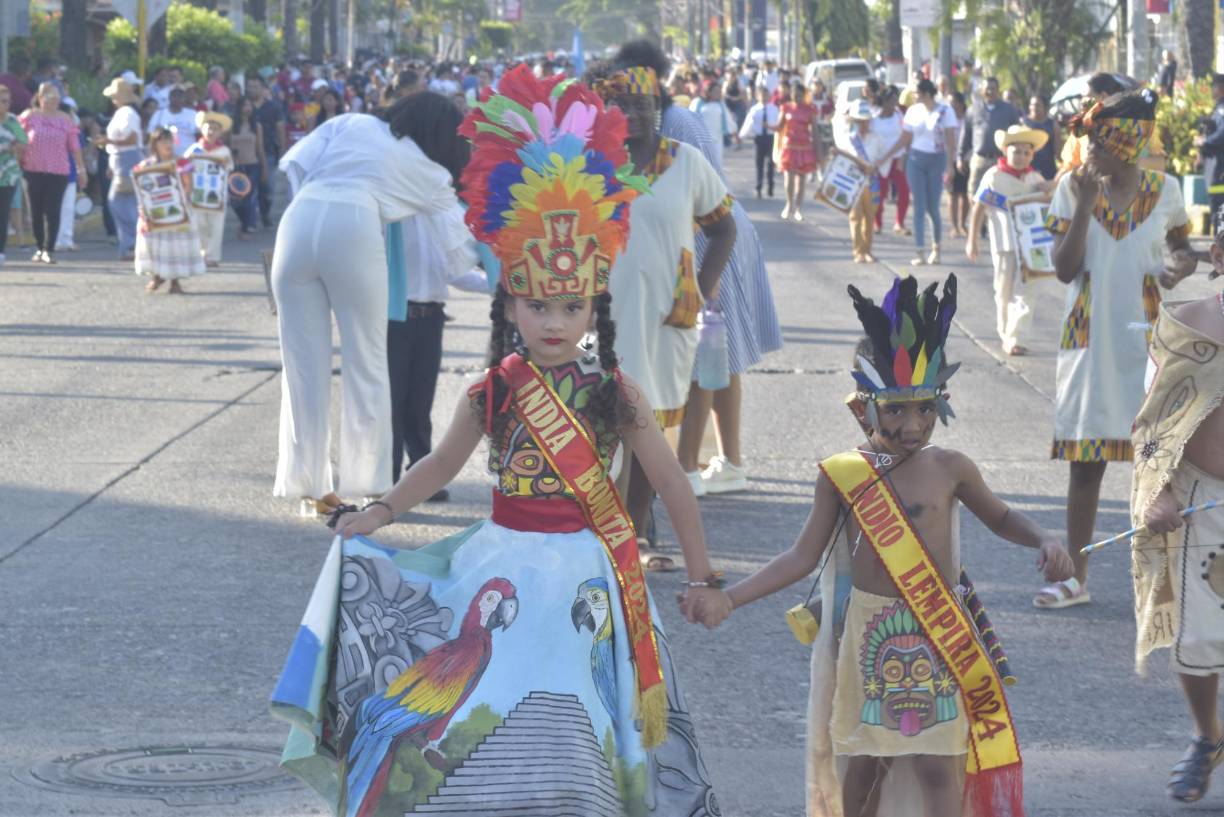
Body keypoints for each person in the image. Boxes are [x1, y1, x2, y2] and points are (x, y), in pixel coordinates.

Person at [272, 69, 726, 817]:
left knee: (582, 712)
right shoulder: (492, 392)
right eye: (537, 303)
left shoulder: (615, 393)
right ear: (508, 300)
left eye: (571, 305)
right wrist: (380, 512)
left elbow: (671, 481)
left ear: (593, 308)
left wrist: (704, 574)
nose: (554, 320)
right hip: (502, 563)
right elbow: (441, 464)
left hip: (585, 571)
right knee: (498, 700)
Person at [692, 274, 1070, 817]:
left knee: (939, 763)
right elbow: (801, 557)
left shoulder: (952, 468)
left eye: (924, 406)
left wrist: (1043, 537)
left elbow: (1002, 516)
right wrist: (731, 597)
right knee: (866, 766)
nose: (913, 424)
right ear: (860, 408)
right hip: (868, 635)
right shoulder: (843, 475)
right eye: (895, 410)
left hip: (938, 633)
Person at [1037, 88, 1198, 609]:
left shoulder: (1166, 190)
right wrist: (1085, 204)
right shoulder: (1072, 189)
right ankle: (1075, 579)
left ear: (1128, 144)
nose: (1089, 153)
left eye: (1099, 144)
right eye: (1088, 142)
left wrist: (1183, 266)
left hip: (1149, 341)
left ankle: (1168, 582)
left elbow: (1179, 253)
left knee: (1160, 466)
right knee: (1086, 463)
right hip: (1089, 342)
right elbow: (1064, 268)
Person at [271, 94, 468, 516]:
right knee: (367, 362)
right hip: (354, 226)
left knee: (302, 367)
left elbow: (295, 163)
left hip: (298, 218)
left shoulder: (351, 122)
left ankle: (311, 489)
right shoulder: (429, 171)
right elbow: (459, 254)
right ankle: (371, 487)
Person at [582, 60, 736, 563]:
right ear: (602, 109)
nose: (633, 112)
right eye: (620, 103)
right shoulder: (585, 162)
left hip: (667, 320)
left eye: (643, 103)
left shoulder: (686, 160)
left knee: (650, 430)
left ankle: (631, 537)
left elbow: (723, 228)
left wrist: (699, 288)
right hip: (599, 318)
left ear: (658, 107)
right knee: (602, 426)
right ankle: (601, 535)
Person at [1130, 225, 1223, 803]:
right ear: (1219, 255)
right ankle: (1206, 735)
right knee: (1199, 634)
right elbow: (1150, 422)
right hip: (1197, 499)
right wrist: (1157, 492)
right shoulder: (1186, 327)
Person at [966, 124, 1054, 356]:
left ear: (1032, 155)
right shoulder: (994, 176)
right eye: (1016, 151)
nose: (1021, 156)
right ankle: (1006, 332)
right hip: (1004, 244)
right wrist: (972, 239)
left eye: (1026, 152)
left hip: (1031, 245)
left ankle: (1018, 336)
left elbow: (1049, 204)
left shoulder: (1035, 177)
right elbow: (979, 208)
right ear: (1006, 150)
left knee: (1027, 291)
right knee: (1003, 290)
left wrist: (1049, 189)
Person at [884, 78, 958, 266]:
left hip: (937, 160)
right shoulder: (913, 111)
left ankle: (936, 249)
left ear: (926, 93)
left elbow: (951, 140)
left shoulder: (945, 111)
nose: (914, 96)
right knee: (918, 206)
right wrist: (889, 155)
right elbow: (905, 138)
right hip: (916, 160)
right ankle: (919, 251)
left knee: (932, 207)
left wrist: (950, 165)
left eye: (916, 93)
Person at [18, 82, 85, 264]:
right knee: (36, 211)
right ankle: (39, 247)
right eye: (49, 97)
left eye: (57, 98)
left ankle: (49, 249)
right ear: (40, 98)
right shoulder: (29, 117)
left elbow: (75, 147)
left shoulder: (65, 119)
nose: (53, 101)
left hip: (58, 171)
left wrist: (81, 169)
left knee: (53, 211)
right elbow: (19, 140)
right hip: (33, 170)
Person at [134, 126, 205, 293]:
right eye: (162, 140)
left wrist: (180, 202)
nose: (167, 144)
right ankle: (157, 276)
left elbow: (188, 185)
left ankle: (175, 281)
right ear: (154, 144)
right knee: (155, 243)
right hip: (155, 210)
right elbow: (142, 187)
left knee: (176, 245)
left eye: (169, 140)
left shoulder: (181, 163)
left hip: (177, 210)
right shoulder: (146, 165)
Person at [958, 77, 1020, 207]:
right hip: (979, 159)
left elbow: (1017, 133)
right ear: (981, 91)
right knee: (975, 193)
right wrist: (960, 156)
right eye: (987, 89)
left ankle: (991, 223)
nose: (990, 91)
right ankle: (979, 225)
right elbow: (966, 135)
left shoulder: (1008, 110)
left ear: (998, 91)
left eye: (993, 89)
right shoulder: (972, 110)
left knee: (999, 195)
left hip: (1000, 160)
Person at [183, 111, 233, 267]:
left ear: (220, 132)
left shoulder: (224, 151)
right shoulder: (194, 149)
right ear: (202, 129)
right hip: (197, 194)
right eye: (208, 127)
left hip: (217, 194)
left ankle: (213, 256)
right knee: (198, 224)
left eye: (215, 129)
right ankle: (200, 254)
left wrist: (224, 163)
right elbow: (183, 167)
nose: (211, 131)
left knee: (216, 226)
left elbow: (229, 167)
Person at [102, 77, 143, 262]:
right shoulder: (123, 113)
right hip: (121, 160)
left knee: (121, 204)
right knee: (121, 204)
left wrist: (108, 141)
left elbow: (131, 140)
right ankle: (129, 245)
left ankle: (133, 244)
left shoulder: (128, 114)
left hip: (128, 159)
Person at [844, 100, 886, 264]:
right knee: (855, 216)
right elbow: (844, 160)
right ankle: (858, 251)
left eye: (865, 120)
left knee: (870, 217)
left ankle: (868, 250)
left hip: (872, 182)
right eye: (860, 121)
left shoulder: (877, 138)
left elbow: (884, 157)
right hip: (855, 182)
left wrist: (876, 166)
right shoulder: (849, 139)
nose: (863, 124)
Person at [776, 81, 820, 221]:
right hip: (789, 146)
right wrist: (766, 125)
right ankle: (789, 204)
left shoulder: (810, 109)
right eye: (795, 95)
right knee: (788, 178)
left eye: (800, 95)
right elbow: (779, 127)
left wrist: (818, 151)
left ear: (804, 95)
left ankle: (799, 208)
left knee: (801, 180)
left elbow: (814, 130)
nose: (797, 98)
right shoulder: (785, 108)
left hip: (805, 147)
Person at [247, 75, 285, 229]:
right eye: (249, 86)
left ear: (263, 89)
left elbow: (280, 128)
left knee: (267, 187)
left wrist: (283, 149)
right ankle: (250, 219)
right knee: (250, 189)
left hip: (269, 151)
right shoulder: (244, 106)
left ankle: (265, 213)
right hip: (247, 153)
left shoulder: (273, 107)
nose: (252, 90)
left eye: (255, 86)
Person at [872, 86, 909, 235]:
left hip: (896, 159)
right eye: (892, 100)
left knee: (904, 191)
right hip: (880, 162)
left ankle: (899, 222)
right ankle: (877, 223)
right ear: (885, 102)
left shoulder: (899, 116)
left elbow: (904, 137)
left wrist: (901, 157)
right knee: (880, 194)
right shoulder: (874, 120)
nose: (895, 103)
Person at [228, 98, 267, 239]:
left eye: (250, 105)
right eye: (245, 104)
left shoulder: (256, 126)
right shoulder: (232, 126)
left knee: (249, 196)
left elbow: (260, 148)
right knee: (235, 200)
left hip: (252, 165)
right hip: (236, 166)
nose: (248, 108)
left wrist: (264, 168)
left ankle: (249, 225)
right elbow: (227, 146)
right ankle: (244, 223)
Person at [0, 85, 29, 266]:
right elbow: (13, 144)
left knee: (2, 214)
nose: (6, 104)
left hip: (7, 175)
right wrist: (9, 146)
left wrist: (12, 146)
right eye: (3, 101)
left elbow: (23, 142)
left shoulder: (12, 120)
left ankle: (0, 252)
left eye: (7, 101)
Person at [739, 84, 778, 198]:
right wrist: (741, 137)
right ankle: (759, 187)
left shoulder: (774, 109)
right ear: (757, 96)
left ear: (769, 96)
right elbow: (748, 124)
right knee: (759, 164)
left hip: (771, 138)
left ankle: (771, 186)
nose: (764, 97)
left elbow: (778, 124)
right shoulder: (754, 110)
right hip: (759, 138)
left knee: (771, 164)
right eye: (762, 95)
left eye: (766, 95)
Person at [689, 79, 737, 169]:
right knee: (702, 166)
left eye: (719, 91)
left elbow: (728, 120)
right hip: (701, 140)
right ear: (708, 91)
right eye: (715, 91)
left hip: (717, 140)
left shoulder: (721, 104)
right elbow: (691, 118)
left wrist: (735, 133)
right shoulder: (698, 102)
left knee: (716, 166)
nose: (718, 93)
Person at [1200, 74, 1224, 232]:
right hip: (1215, 163)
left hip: (1219, 164)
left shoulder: (1222, 108)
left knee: (1218, 203)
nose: (1212, 90)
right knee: (1216, 204)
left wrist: (1205, 141)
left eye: (1214, 86)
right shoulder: (1218, 107)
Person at [147, 85, 198, 154]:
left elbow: (199, 135)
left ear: (184, 98)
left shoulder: (193, 114)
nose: (177, 98)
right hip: (164, 157)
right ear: (169, 97)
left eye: (180, 95)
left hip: (188, 158)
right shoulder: (159, 114)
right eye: (174, 95)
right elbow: (151, 136)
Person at [948, 91, 971, 238]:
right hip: (950, 159)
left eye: (954, 102)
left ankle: (963, 224)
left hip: (967, 159)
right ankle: (954, 226)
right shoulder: (946, 119)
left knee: (964, 194)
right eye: (950, 103)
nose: (952, 105)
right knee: (952, 194)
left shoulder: (969, 119)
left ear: (961, 104)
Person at [1022, 95, 1060, 180]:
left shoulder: (1053, 124)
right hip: (1028, 167)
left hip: (1048, 168)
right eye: (1031, 105)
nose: (1034, 107)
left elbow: (1057, 149)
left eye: (1037, 105)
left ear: (1045, 107)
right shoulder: (1023, 123)